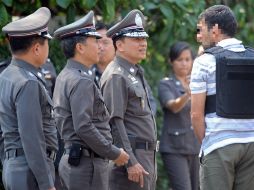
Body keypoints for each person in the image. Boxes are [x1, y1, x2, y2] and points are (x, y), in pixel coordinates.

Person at [53, 11, 129, 190]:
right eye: (95, 42)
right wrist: (113, 152)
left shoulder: (65, 75)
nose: (100, 47)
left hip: (76, 161)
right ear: (80, 48)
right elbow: (84, 126)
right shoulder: (81, 81)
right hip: (87, 166)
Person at [190, 5, 254, 190]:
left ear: (215, 30)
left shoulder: (204, 62)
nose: (198, 36)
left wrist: (210, 141)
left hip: (219, 145)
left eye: (201, 30)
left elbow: (195, 114)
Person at [0, 7, 58, 190]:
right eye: (46, 43)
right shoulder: (28, 83)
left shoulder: (7, 75)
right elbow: (32, 138)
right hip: (30, 172)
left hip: (15, 167)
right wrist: (46, 183)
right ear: (36, 48)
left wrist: (10, 163)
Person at [100, 9, 157, 190]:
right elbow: (114, 122)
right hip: (131, 162)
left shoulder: (133, 72)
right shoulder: (117, 75)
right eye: (136, 39)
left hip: (144, 157)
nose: (143, 44)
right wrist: (130, 161)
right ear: (120, 45)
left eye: (144, 39)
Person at [158, 41, 200, 190]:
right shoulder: (166, 84)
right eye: (179, 60)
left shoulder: (199, 83)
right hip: (174, 148)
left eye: (188, 59)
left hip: (196, 146)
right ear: (171, 61)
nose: (184, 64)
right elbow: (173, 106)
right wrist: (187, 94)